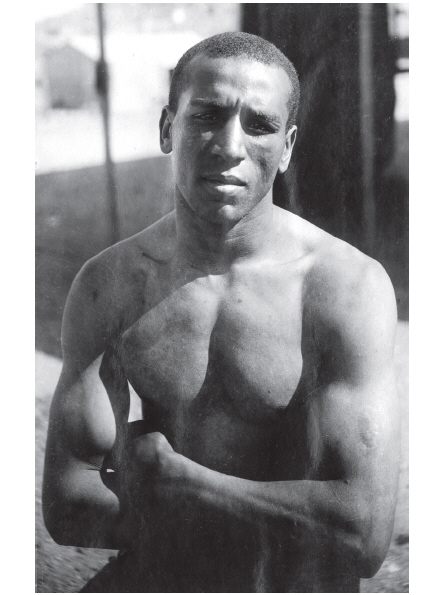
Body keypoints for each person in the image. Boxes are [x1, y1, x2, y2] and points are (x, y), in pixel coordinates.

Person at [42, 32, 400, 593]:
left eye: (259, 125)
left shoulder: (345, 289)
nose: (230, 145)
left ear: (286, 148)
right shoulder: (111, 285)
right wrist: (269, 520)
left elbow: (361, 536)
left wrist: (181, 479)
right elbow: (69, 506)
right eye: (207, 115)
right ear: (167, 128)